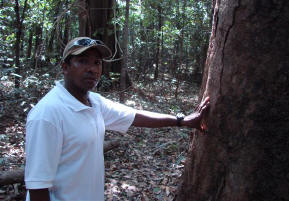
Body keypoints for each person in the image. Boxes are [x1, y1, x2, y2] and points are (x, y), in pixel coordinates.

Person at [24, 37, 210, 201]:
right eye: (82, 61)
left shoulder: (93, 102)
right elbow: (37, 186)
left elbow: (135, 116)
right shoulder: (47, 115)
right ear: (65, 67)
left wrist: (181, 120)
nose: (92, 69)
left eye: (97, 62)